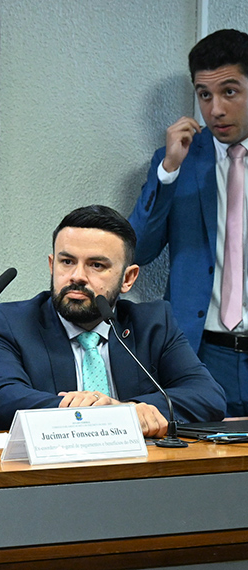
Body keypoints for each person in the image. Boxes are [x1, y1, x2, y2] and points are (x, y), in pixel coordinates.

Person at [0, 205, 226, 437]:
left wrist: (129, 410)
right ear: (52, 265)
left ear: (128, 278)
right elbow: (1, 399)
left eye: (96, 265)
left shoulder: (152, 324)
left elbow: (208, 396)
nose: (77, 276)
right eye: (67, 262)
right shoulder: (6, 323)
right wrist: (95, 415)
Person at [129, 29, 248, 416]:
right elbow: (137, 250)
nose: (216, 110)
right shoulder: (179, 160)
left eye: (229, 92)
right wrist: (167, 171)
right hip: (200, 354)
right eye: (204, 95)